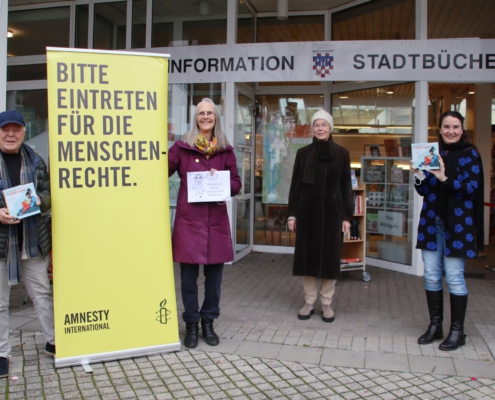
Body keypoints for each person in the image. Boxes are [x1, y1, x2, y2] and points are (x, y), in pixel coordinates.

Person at [168, 98, 241, 348]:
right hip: (189, 224)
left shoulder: (226, 149)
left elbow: (236, 183)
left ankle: (208, 322)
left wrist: (222, 183)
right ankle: (190, 324)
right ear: (195, 117)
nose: (206, 117)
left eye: (210, 113)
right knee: (188, 280)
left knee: (214, 280)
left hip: (216, 225)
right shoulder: (182, 147)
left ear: (216, 117)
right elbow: (160, 170)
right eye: (202, 113)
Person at [412, 111, 484, 351]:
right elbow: (424, 192)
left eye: (455, 126)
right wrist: (419, 175)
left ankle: (457, 331)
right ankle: (436, 326)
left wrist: (444, 178)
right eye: (446, 127)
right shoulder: (434, 153)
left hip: (458, 226)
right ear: (440, 130)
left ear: (462, 129)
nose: (451, 131)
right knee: (432, 274)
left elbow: (471, 189)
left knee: (454, 276)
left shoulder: (470, 154)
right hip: (432, 223)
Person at [0, 110, 54, 378]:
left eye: (16, 130)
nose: (11, 134)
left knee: (42, 293)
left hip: (32, 241)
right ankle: (1, 352)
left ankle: (53, 341)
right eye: (5, 130)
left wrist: (33, 202)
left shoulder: (36, 160)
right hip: (1, 245)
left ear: (23, 132)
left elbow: (48, 195)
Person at [287, 109, 353, 323]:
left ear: (331, 128)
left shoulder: (342, 153)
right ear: (312, 129)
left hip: (333, 216)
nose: (320, 128)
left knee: (329, 261)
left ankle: (326, 304)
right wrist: (292, 215)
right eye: (317, 125)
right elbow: (295, 186)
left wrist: (346, 217)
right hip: (307, 215)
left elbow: (346, 187)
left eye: (324, 125)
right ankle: (308, 301)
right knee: (308, 260)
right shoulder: (303, 153)